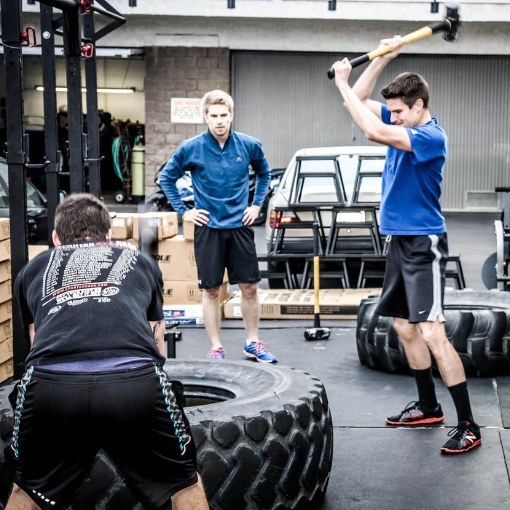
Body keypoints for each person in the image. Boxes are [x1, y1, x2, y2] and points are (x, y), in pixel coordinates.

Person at [6, 193, 209, 509]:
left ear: (56, 238)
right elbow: (157, 341)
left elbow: (36, 342)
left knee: (27, 489)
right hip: (133, 381)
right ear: (109, 236)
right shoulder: (140, 260)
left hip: (51, 386)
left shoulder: (33, 270)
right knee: (183, 484)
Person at [331, 37, 481, 454]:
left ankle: (469, 424)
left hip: (423, 244)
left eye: (399, 111)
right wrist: (381, 59)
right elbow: (360, 102)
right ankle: (429, 407)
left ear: (419, 106)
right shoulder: (405, 121)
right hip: (398, 239)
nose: (393, 117)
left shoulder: (430, 136)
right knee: (402, 325)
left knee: (433, 331)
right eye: (392, 110)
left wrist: (342, 79)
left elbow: (369, 126)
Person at [159, 89, 277, 363]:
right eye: (214, 116)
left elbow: (264, 174)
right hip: (208, 228)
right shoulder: (191, 147)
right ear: (206, 117)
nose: (219, 121)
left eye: (224, 115)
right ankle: (216, 347)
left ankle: (253, 342)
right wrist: (184, 212)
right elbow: (167, 178)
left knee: (249, 287)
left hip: (239, 226)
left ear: (232, 115)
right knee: (211, 290)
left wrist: (256, 205)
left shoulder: (249, 145)